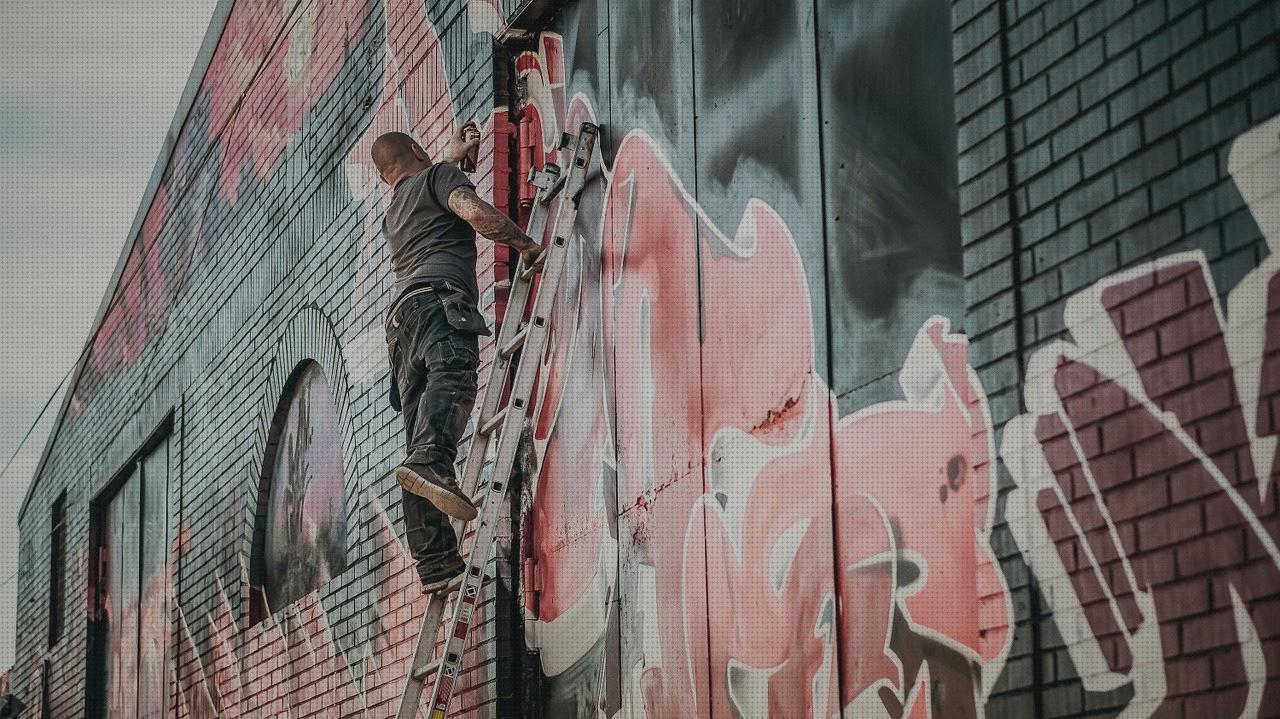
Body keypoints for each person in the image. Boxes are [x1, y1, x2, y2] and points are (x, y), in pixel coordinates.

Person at [372, 124, 543, 593]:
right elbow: (470, 211)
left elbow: (429, 187)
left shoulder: (395, 212)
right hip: (440, 303)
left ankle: (436, 564)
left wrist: (453, 160)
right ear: (414, 148)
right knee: (454, 380)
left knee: (415, 449)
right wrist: (526, 244)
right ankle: (434, 460)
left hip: (401, 324)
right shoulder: (439, 177)